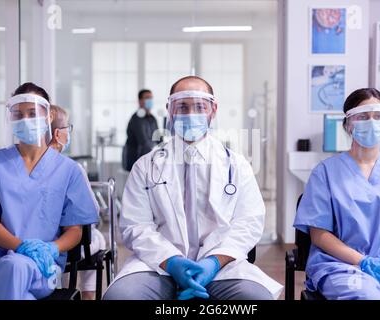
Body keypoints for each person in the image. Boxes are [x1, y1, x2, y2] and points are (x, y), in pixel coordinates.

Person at [103, 76, 282, 300]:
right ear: (170, 110)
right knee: (121, 298)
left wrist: (214, 262)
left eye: (199, 106)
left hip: (220, 267)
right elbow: (135, 226)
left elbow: (249, 222)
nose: (190, 114)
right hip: (158, 266)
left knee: (255, 299)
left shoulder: (236, 165)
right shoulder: (146, 166)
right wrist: (173, 262)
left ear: (213, 110)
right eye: (182, 107)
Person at [294, 88, 380, 300]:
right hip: (342, 264)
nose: (372, 121)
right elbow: (318, 235)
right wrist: (363, 261)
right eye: (363, 116)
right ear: (348, 125)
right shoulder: (325, 174)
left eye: (378, 116)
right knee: (365, 295)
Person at [0, 83, 98, 300]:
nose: (25, 119)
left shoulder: (68, 170)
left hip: (42, 267)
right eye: (18, 114)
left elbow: (75, 231)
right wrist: (20, 246)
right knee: (15, 271)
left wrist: (51, 249)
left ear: (48, 115)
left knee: (17, 266)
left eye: (32, 113)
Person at [48, 104, 106, 300]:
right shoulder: (72, 169)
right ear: (57, 134)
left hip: (42, 243)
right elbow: (92, 211)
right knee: (96, 237)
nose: (69, 132)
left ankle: (62, 286)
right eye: (67, 128)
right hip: (67, 247)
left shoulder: (26, 168)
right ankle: (89, 295)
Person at [122, 89, 160, 171]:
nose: (150, 100)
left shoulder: (152, 118)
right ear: (140, 101)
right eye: (147, 98)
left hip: (148, 159)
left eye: (151, 98)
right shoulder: (137, 119)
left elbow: (159, 138)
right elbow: (144, 142)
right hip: (136, 161)